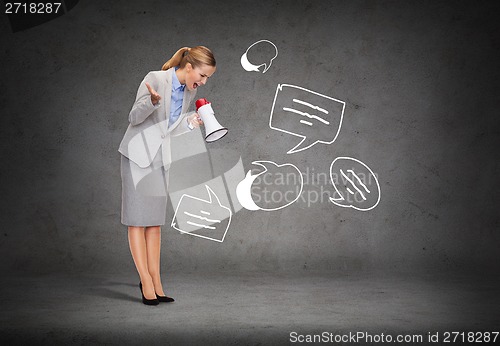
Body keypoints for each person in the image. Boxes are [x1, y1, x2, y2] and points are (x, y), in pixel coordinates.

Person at [118, 46, 216, 305]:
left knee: (154, 223)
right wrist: (151, 102)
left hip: (161, 158)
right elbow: (134, 117)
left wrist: (190, 123)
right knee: (137, 221)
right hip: (138, 156)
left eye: (207, 78)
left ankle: (156, 280)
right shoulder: (155, 79)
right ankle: (146, 281)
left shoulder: (189, 90)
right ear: (188, 67)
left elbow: (168, 130)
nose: (203, 82)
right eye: (203, 75)